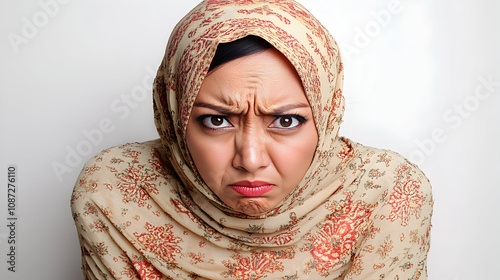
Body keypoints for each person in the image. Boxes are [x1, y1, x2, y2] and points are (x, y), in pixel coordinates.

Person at [71, 0, 433, 279]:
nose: (251, 158)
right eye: (216, 120)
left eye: (286, 120)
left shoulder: (385, 193)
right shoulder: (116, 193)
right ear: (173, 116)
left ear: (327, 113)